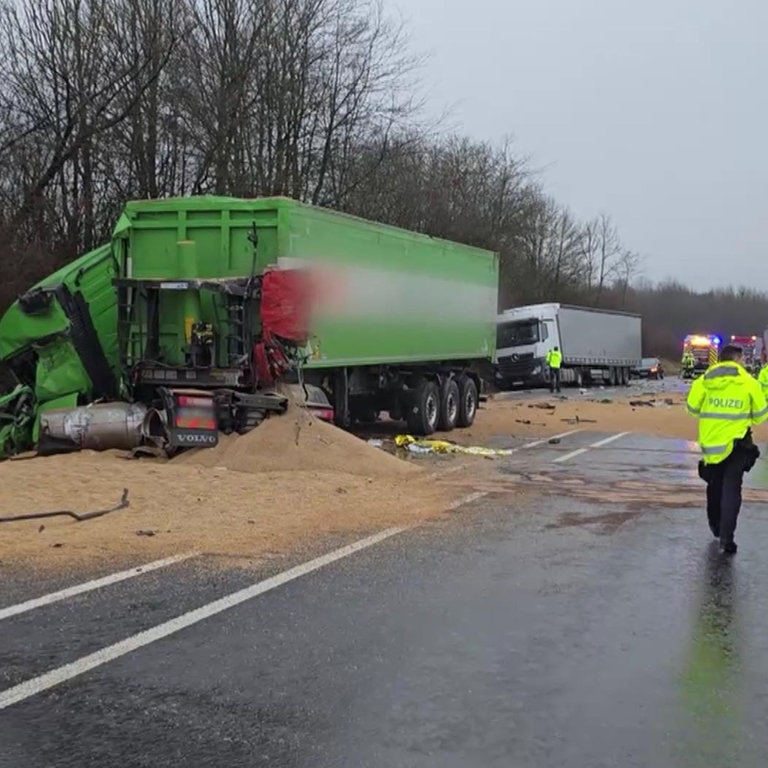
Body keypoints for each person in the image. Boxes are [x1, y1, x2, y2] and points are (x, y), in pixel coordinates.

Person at [686, 344, 766, 554]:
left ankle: (715, 525)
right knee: (732, 488)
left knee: (714, 485)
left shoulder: (704, 381)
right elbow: (760, 415)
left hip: (712, 443)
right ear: (738, 360)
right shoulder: (749, 382)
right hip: (738, 444)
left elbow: (692, 409)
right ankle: (726, 538)